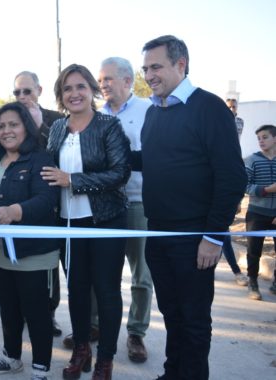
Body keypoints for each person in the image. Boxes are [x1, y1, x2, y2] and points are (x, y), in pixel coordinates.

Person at [139, 35, 247, 379]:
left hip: (194, 238)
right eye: (145, 69)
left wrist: (213, 237)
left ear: (180, 64)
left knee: (195, 320)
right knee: (172, 314)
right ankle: (174, 374)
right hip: (157, 233)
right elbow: (152, 161)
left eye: (156, 66)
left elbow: (232, 177)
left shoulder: (210, 108)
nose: (149, 75)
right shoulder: (155, 113)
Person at [41, 64, 131, 380]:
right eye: (67, 88)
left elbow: (121, 173)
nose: (74, 93)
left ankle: (106, 359)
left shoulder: (109, 126)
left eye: (80, 87)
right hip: (68, 223)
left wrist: (73, 180)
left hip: (106, 220)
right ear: (60, 95)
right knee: (77, 289)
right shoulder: (56, 129)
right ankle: (82, 350)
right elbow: (47, 172)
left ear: (91, 90)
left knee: (106, 291)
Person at [0, 101, 60, 380]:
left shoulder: (41, 159)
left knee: (37, 314)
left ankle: (40, 368)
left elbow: (47, 200)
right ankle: (11, 358)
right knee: (8, 308)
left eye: (13, 124)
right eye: (1, 126)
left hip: (32, 254)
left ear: (26, 128)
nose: (6, 130)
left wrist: (15, 211)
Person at [97, 56, 153, 364]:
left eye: (108, 78)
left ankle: (136, 333)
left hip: (138, 202)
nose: (103, 84)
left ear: (128, 81)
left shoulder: (149, 110)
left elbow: (154, 154)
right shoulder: (94, 115)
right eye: (100, 79)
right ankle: (93, 326)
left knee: (141, 274)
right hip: (103, 204)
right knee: (101, 271)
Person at [13, 71, 63, 338]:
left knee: (47, 266)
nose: (22, 97)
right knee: (18, 260)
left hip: (47, 204)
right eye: (17, 93)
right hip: (16, 203)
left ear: (39, 90)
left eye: (27, 91)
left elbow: (57, 155)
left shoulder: (55, 119)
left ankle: (49, 314)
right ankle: (21, 314)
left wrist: (38, 124)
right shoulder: (10, 117)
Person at [243, 124, 276, 300]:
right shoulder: (252, 160)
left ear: (275, 138)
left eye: (265, 137)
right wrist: (267, 189)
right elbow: (245, 186)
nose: (261, 141)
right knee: (254, 250)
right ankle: (253, 283)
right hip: (257, 213)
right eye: (259, 138)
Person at [222, 97, 249, 286]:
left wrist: (238, 201)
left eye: (234, 107)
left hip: (228, 174)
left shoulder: (237, 122)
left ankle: (237, 271)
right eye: (228, 107)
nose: (231, 109)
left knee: (221, 232)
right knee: (220, 234)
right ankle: (236, 271)